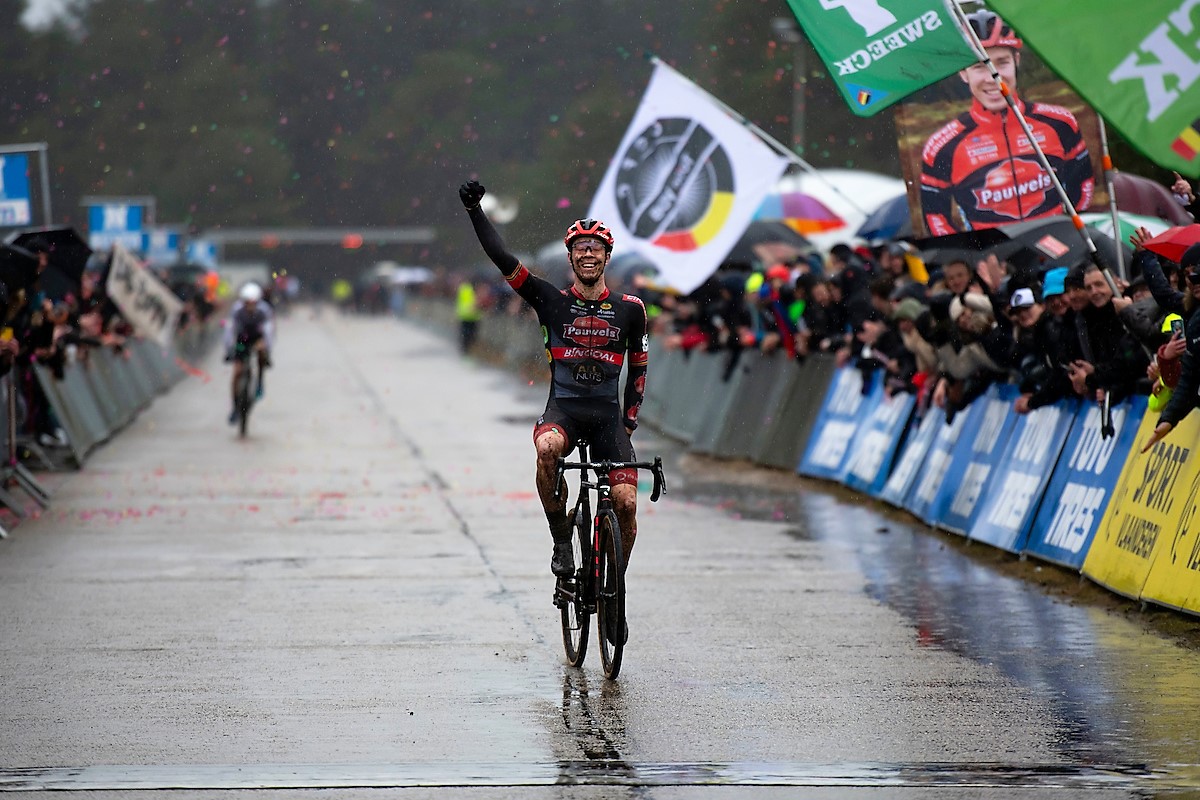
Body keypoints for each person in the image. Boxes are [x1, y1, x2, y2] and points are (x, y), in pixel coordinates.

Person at [459, 180, 648, 622]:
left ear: (606, 257)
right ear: (570, 258)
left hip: (607, 419)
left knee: (626, 503)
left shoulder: (631, 309)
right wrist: (475, 212)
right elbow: (503, 260)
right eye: (579, 248)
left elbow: (639, 367)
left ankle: (614, 588)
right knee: (546, 450)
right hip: (563, 409)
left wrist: (630, 422)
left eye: (595, 248)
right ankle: (562, 543)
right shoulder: (549, 300)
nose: (587, 254)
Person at [919, 10, 1094, 236]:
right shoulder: (941, 146)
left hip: (1060, 249)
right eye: (979, 66)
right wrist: (976, 254)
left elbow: (1084, 187)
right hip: (996, 261)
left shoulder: (1060, 123)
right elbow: (935, 217)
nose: (993, 76)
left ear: (1016, 61)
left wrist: (1070, 237)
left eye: (1001, 62)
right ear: (963, 73)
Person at [223, 282, 274, 424]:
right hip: (242, 339)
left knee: (261, 352)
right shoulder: (237, 310)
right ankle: (234, 407)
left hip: (256, 338)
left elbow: (268, 331)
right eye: (247, 303)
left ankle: (259, 381)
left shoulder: (264, 310)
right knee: (237, 371)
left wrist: (266, 349)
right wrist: (229, 349)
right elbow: (230, 329)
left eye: (253, 303)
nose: (250, 306)